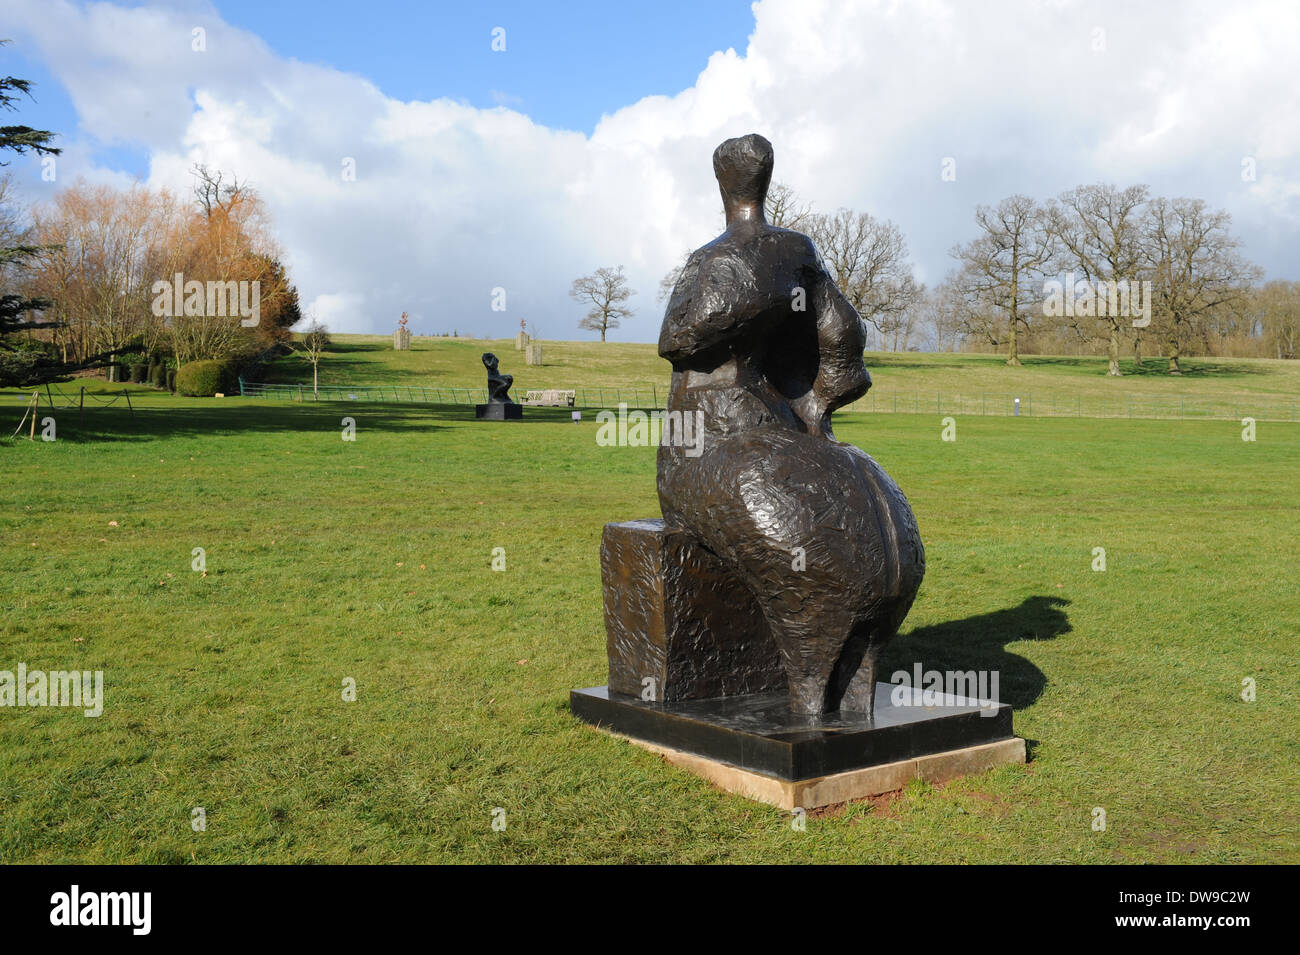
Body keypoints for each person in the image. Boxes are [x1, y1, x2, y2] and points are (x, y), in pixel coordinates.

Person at [657, 133, 925, 716]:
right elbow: (843, 338)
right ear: (766, 179)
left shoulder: (716, 258)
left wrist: (752, 286)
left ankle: (813, 689)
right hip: (769, 423)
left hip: (706, 432)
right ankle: (836, 683)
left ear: (724, 183)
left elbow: (680, 337)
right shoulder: (796, 252)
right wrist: (817, 404)